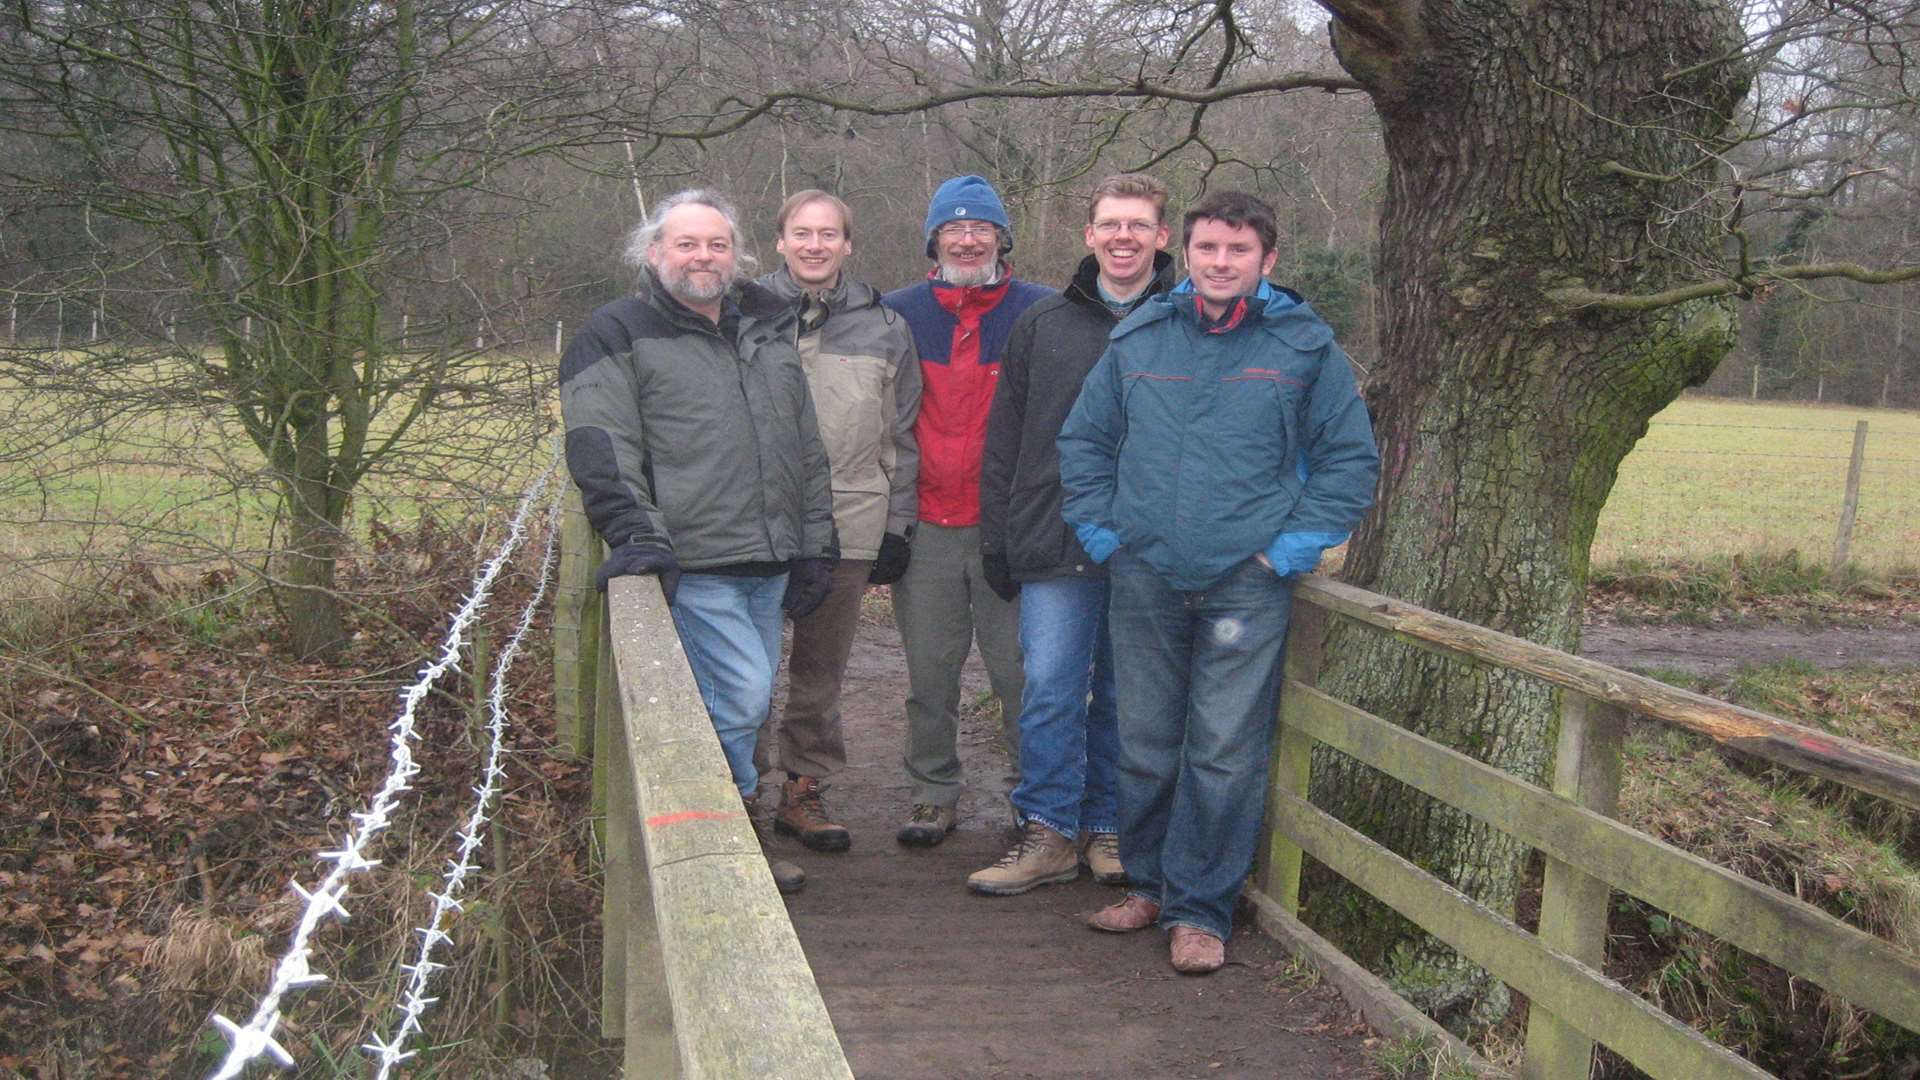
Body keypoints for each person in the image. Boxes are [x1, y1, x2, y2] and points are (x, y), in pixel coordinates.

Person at [1058, 190, 1379, 972]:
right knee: (1143, 741)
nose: (1220, 262)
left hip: (1246, 582)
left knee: (1224, 750)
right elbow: (1085, 444)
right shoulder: (1141, 337)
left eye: (1238, 251)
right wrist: (1107, 536)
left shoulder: (1304, 347)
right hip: (1145, 574)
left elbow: (1348, 461)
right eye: (1208, 249)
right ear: (1188, 254)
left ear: (1267, 260)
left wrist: (1287, 551)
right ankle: (1150, 883)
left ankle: (1201, 910)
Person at [559, 188, 837, 895]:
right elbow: (602, 442)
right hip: (695, 558)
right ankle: (723, 840)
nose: (703, 256)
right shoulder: (616, 332)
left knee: (745, 698)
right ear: (654, 254)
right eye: (686, 244)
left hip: (768, 558)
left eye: (716, 244)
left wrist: (815, 542)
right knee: (740, 696)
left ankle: (715, 835)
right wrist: (638, 535)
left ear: (736, 254)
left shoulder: (766, 328)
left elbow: (803, 446)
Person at [968, 174, 1177, 896]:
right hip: (1051, 538)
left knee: (1127, 693)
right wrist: (997, 537)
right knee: (1051, 687)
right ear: (1088, 235)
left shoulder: (1187, 322)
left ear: (1162, 237)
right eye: (1110, 224)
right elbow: (1005, 439)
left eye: (1138, 225)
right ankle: (1049, 830)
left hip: (1148, 547)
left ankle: (1109, 826)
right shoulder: (1044, 325)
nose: (1124, 237)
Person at [881, 174, 1051, 846]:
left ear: (1003, 239)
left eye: (982, 228)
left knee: (1019, 674)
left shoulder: (1039, 313)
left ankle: (1034, 796)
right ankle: (931, 791)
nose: (969, 238)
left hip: (1006, 528)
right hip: (925, 527)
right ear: (934, 240)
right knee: (930, 673)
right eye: (955, 228)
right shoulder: (897, 314)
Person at [752, 190, 922, 852]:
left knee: (820, 670)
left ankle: (803, 788)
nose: (815, 245)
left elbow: (901, 435)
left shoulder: (885, 327)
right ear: (780, 241)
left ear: (848, 244)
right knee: (746, 670)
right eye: (802, 233)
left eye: (829, 234)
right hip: (752, 523)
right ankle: (738, 787)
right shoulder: (740, 314)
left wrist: (897, 526)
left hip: (849, 521)